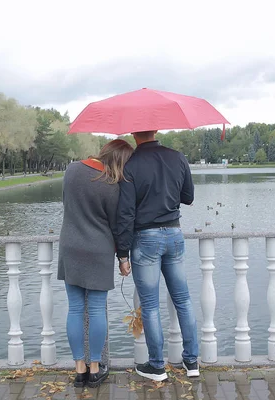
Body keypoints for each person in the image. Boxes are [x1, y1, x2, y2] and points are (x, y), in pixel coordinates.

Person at [116, 130, 199, 381]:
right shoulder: (178, 157)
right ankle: (192, 362)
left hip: (145, 239)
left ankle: (156, 366)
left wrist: (122, 254)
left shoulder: (130, 166)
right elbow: (189, 197)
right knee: (183, 300)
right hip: (174, 234)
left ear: (134, 133)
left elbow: (126, 214)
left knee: (150, 306)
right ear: (156, 131)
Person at [57, 139, 134, 388]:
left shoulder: (72, 170)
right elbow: (118, 225)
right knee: (97, 309)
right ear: (120, 161)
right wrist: (123, 258)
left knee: (75, 309)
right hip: (98, 249)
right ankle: (95, 368)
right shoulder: (113, 185)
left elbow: (67, 203)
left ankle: (79, 370)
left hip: (70, 245)